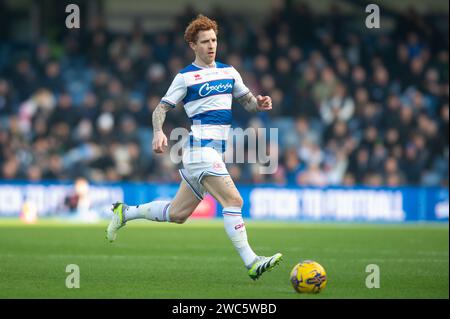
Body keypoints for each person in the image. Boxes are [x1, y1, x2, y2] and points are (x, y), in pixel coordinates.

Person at [106, 14, 282, 280]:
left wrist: (260, 103)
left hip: (211, 152)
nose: (211, 46)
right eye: (205, 41)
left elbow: (247, 102)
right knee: (233, 200)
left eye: (214, 40)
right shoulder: (185, 78)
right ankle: (252, 262)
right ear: (193, 45)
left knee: (177, 214)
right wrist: (157, 132)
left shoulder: (229, 71)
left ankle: (125, 212)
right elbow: (160, 108)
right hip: (200, 150)